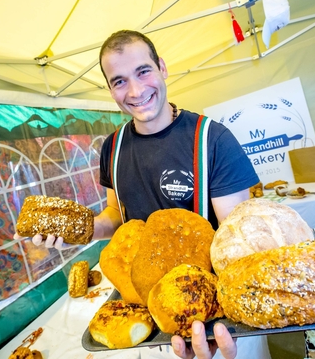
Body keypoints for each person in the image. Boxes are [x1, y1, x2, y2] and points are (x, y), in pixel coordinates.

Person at [22, 30, 265, 359]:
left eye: (143, 71)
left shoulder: (213, 140)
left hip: (207, 316)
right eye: (119, 81)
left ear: (162, 67)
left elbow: (239, 244)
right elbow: (115, 216)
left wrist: (216, 321)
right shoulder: (113, 146)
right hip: (140, 311)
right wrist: (80, 232)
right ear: (110, 89)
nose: (135, 91)